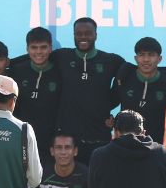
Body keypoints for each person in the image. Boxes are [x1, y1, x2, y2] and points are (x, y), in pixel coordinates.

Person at [49, 17, 128, 164]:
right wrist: (9, 63)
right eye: (79, 33)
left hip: (98, 136)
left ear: (96, 35)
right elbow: (33, 61)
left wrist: (106, 107)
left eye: (88, 33)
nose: (83, 37)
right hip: (67, 138)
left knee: (97, 180)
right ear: (73, 35)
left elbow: (132, 75)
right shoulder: (61, 56)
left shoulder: (111, 60)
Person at [11, 26, 61, 172]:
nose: (38, 52)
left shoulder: (59, 72)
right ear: (27, 49)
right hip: (21, 140)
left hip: (49, 142)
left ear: (50, 48)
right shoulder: (17, 71)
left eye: (43, 47)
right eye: (34, 47)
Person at [114, 37, 166, 145]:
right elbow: (110, 101)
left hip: (153, 149)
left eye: (151, 55)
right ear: (136, 58)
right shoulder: (124, 78)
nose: (146, 59)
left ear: (159, 59)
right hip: (123, 145)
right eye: (142, 54)